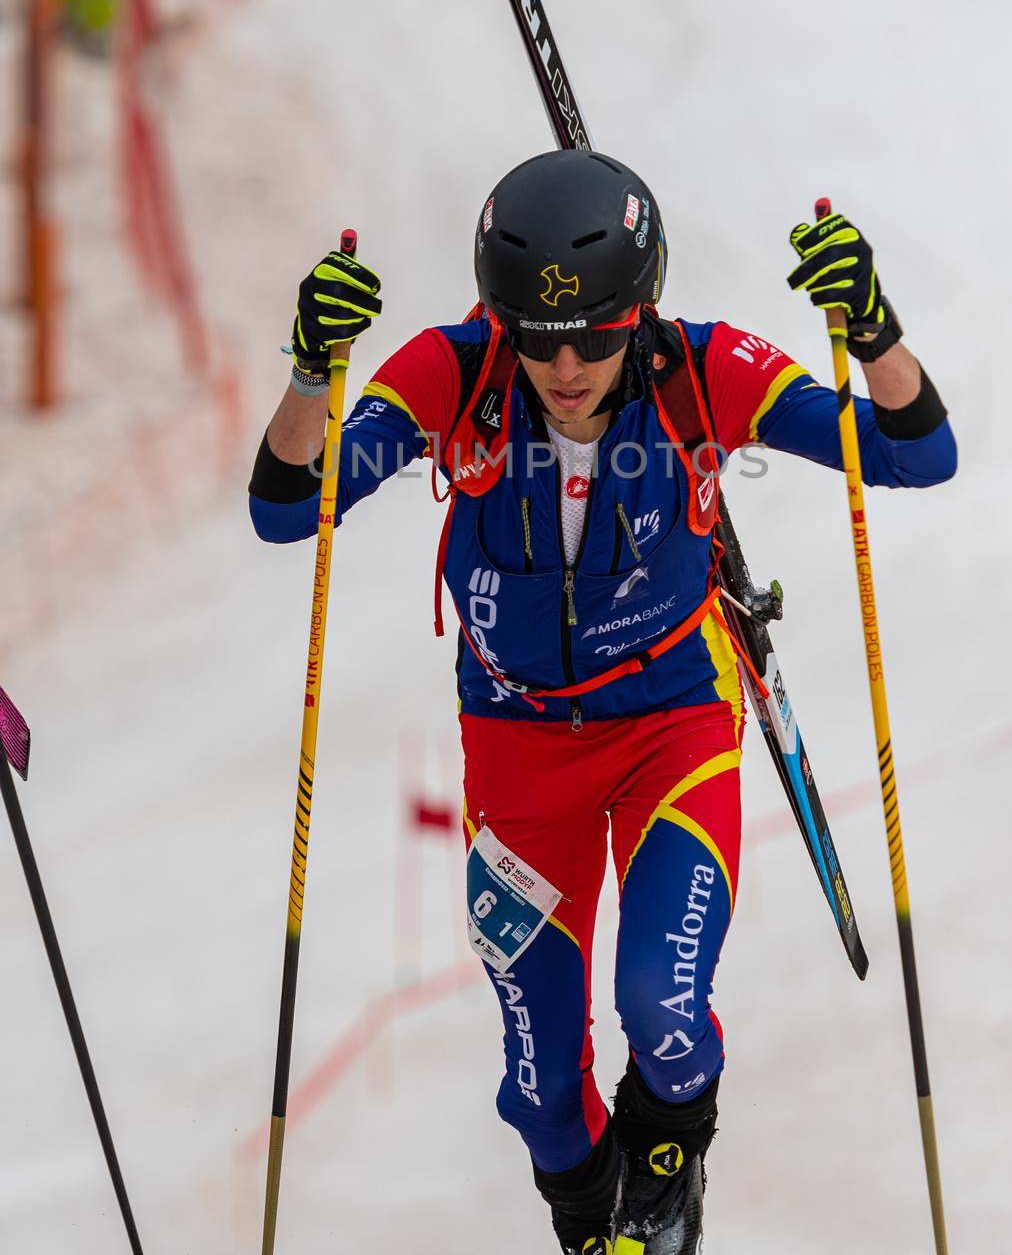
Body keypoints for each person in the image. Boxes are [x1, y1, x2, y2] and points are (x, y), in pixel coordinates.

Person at [249, 151, 957, 1254]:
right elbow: (291, 506)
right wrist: (308, 372)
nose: (564, 363)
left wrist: (870, 330)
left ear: (641, 311)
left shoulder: (702, 370)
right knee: (538, 1092)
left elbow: (917, 455)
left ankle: (665, 1185)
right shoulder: (454, 371)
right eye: (536, 336)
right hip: (518, 755)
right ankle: (590, 1229)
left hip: (671, 722)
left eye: (593, 334)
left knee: (662, 1013)